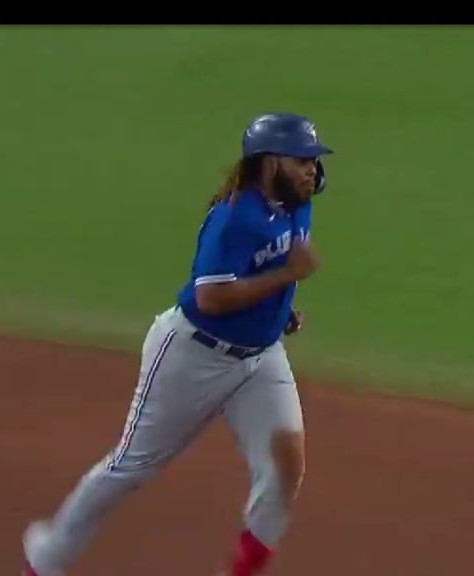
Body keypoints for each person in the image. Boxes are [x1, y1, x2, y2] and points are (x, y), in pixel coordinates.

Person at [22, 111, 333, 576]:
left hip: (261, 358)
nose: (312, 169)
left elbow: (258, 276)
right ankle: (46, 560)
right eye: (301, 159)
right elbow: (210, 296)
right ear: (270, 163)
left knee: (284, 468)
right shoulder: (234, 217)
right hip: (193, 354)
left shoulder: (298, 204)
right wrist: (288, 276)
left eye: (313, 159)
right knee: (131, 467)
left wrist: (277, 312)